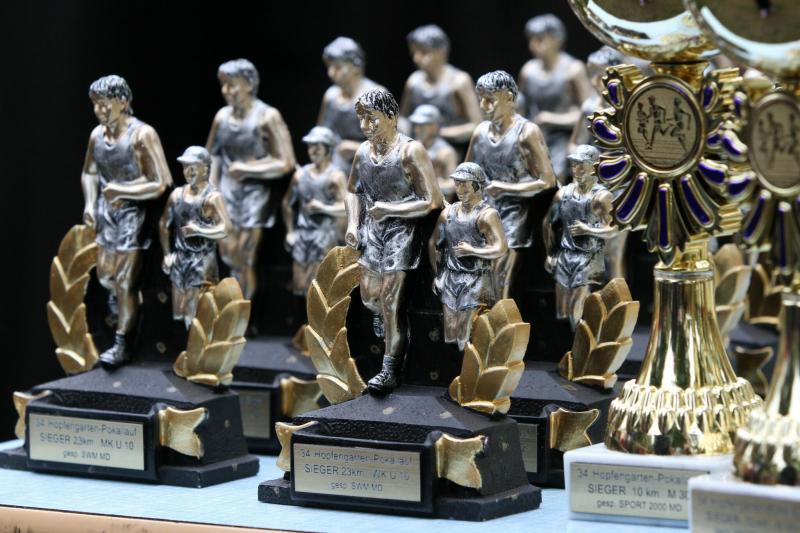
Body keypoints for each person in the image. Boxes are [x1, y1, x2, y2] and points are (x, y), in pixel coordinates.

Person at [345, 88, 442, 394]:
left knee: (390, 301)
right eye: (362, 119)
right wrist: (353, 223)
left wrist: (391, 209)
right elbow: (353, 191)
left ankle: (390, 368)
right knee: (369, 297)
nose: (366, 126)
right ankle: (385, 322)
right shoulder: (363, 152)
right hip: (373, 231)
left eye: (372, 119)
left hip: (403, 232)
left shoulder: (410, 152)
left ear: (391, 117)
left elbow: (432, 201)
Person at [80, 75, 172, 367]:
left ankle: (123, 343)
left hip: (135, 218)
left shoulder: (142, 135)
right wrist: (90, 203)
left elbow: (161, 182)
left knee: (124, 282)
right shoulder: (97, 136)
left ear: (123, 102)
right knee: (106, 276)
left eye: (105, 104)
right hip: (106, 216)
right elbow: (89, 172)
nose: (100, 111)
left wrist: (123, 190)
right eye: (96, 105)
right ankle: (124, 309)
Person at [206, 59, 296, 300]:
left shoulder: (267, 116)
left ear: (248, 85)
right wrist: (210, 188)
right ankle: (232, 305)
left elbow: (286, 162)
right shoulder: (222, 117)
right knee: (228, 253)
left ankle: (243, 308)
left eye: (232, 85)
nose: (226, 91)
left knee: (245, 255)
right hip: (226, 192)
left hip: (255, 195)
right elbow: (212, 155)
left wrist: (248, 169)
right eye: (223, 85)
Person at [466, 70, 556, 300]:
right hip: (483, 212)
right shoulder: (480, 133)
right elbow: (468, 173)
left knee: (500, 273)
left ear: (508, 98)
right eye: (481, 99)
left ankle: (501, 316)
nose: (484, 106)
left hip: (516, 213)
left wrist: (505, 188)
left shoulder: (526, 132)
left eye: (490, 100)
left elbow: (547, 181)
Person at [568, 46, 630, 281]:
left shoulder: (626, 108)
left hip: (621, 184)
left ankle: (619, 293)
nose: (595, 80)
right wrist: (584, 158)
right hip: (593, 182)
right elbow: (575, 143)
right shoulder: (589, 107)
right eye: (591, 74)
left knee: (613, 249)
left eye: (601, 74)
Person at [430, 163, 507, 350]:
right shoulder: (448, 213)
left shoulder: (487, 215)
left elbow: (500, 248)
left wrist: (473, 250)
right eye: (457, 184)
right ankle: (458, 366)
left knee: (466, 335)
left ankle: (472, 366)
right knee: (450, 334)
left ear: (477, 186)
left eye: (464, 184)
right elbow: (434, 244)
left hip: (476, 280)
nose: (460, 189)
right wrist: (438, 275)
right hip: (451, 279)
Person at [544, 145, 618, 329]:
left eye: (582, 166)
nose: (577, 170)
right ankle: (577, 339)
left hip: (588, 257)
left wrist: (589, 230)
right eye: (574, 165)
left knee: (577, 306)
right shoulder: (563, 194)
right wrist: (551, 253)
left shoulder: (602, 197)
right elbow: (548, 224)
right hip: (565, 255)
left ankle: (583, 340)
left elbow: (613, 229)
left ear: (594, 167)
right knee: (562, 311)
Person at [159, 146, 230, 328]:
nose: (188, 172)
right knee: (179, 312)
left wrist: (199, 230)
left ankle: (199, 344)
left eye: (193, 167)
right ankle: (190, 343)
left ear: (205, 169)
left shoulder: (213, 198)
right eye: (185, 167)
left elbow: (225, 229)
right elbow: (163, 225)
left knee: (195, 313)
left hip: (202, 262)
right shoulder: (177, 195)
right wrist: (167, 255)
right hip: (180, 260)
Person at [519, 14, 592, 183]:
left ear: (556, 39)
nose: (533, 45)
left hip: (566, 136)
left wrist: (553, 119)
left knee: (556, 169)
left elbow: (590, 112)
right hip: (536, 134)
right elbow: (520, 107)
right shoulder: (528, 71)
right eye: (531, 40)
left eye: (539, 39)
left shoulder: (573, 70)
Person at [282, 126, 347, 295]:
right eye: (310, 146)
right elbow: (287, 204)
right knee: (300, 284)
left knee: (318, 287)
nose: (313, 151)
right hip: (302, 236)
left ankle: (318, 313)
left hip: (323, 236)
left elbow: (347, 208)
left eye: (317, 146)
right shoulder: (300, 175)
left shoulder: (335, 177)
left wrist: (324, 207)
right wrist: (290, 232)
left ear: (328, 149)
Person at [399, 24, 481, 144]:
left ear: (441, 52)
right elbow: (403, 118)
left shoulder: (459, 81)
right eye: (414, 53)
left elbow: (477, 125)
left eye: (424, 52)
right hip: (419, 145)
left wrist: (437, 133)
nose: (416, 58)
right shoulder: (413, 82)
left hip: (451, 148)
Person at [318, 37, 383, 173]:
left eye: (338, 67)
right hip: (337, 164)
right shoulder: (331, 96)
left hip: (372, 166)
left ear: (355, 67)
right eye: (329, 66)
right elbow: (321, 134)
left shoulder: (375, 96)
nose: (331, 73)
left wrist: (356, 148)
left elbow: (391, 144)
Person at [409, 105, 458, 201]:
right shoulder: (411, 148)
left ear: (434, 127)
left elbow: (453, 184)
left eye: (422, 126)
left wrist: (436, 185)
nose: (417, 130)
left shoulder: (446, 152)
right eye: (416, 125)